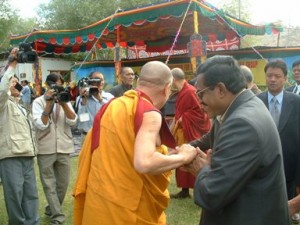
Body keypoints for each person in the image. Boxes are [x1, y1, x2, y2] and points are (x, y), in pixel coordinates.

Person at [73, 61, 199, 225]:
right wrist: (183, 157)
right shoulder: (149, 113)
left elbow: (129, 148)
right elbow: (144, 162)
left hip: (102, 197)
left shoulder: (113, 105)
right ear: (167, 88)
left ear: (139, 82)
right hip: (128, 206)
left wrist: (166, 154)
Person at [186, 55, 290, 225]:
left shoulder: (242, 123)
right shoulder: (243, 107)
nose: (199, 101)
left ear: (220, 89)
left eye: (200, 93)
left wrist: (202, 170)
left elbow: (212, 194)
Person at [257, 59, 300, 223]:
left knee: (285, 211)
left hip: (288, 168)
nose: (272, 79)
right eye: (269, 76)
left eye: (277, 76)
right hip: (262, 166)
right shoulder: (256, 102)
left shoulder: (296, 102)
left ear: (285, 78)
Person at [0, 48, 39, 225]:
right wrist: (12, 65)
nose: (16, 85)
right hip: (10, 156)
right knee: (14, 196)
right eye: (12, 81)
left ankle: (33, 222)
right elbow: (2, 90)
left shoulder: (21, 106)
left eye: (17, 82)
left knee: (31, 195)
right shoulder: (3, 104)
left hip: (27, 154)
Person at [32, 73, 77, 225]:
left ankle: (51, 208)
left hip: (64, 146)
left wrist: (64, 103)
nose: (59, 89)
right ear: (49, 85)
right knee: (49, 184)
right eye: (57, 86)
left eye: (61, 86)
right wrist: (49, 103)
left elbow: (73, 121)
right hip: (45, 148)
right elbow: (41, 124)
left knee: (63, 184)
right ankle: (58, 217)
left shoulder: (65, 99)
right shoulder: (38, 102)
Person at [170, 68, 211, 199]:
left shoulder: (190, 91)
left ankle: (199, 188)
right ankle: (184, 189)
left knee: (192, 157)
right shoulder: (183, 91)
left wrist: (185, 117)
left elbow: (201, 111)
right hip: (184, 131)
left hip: (191, 130)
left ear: (174, 79)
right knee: (182, 157)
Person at [76, 71, 114, 142]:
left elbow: (113, 115)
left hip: (105, 136)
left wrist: (100, 99)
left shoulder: (109, 97)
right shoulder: (82, 98)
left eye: (102, 80)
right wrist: (84, 102)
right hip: (87, 136)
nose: (100, 82)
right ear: (90, 81)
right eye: (97, 79)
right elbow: (82, 119)